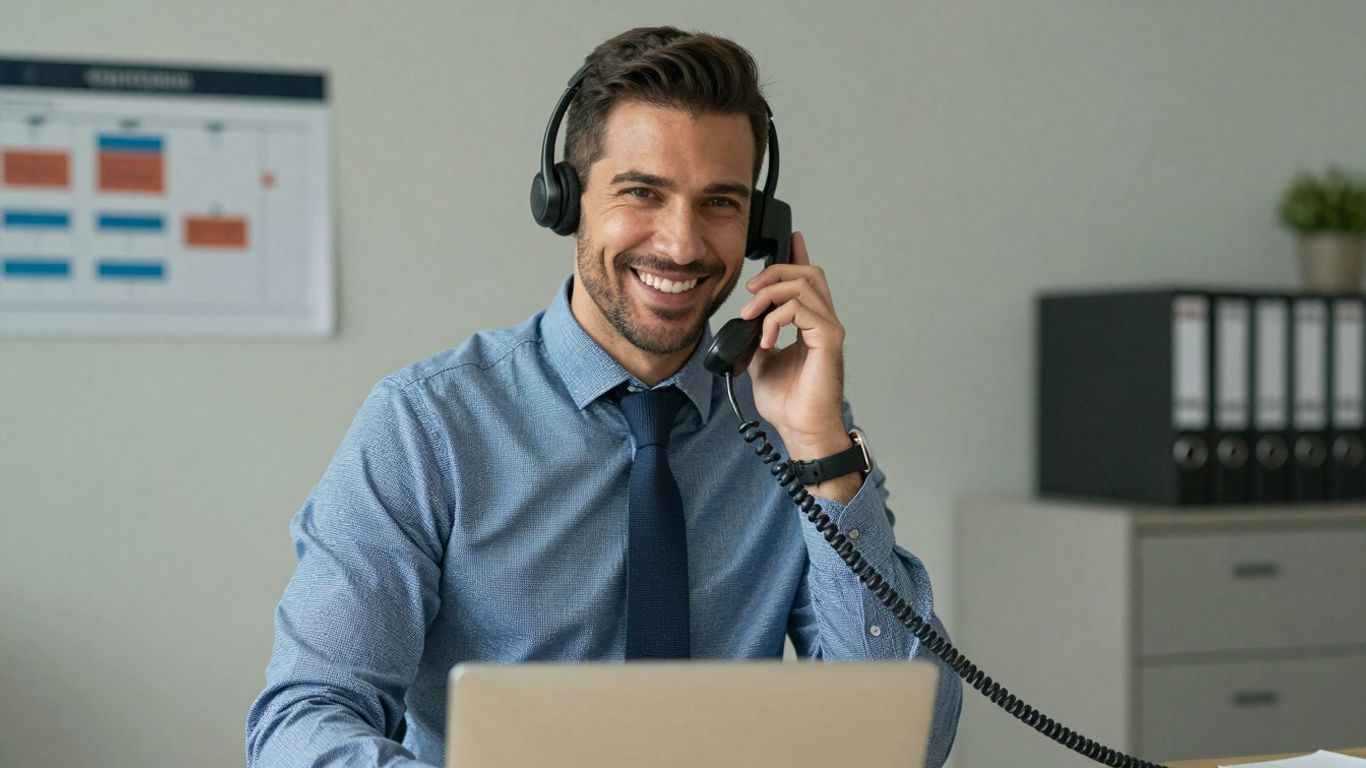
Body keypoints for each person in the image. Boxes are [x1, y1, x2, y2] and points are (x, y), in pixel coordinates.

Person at [246, 26, 962, 768]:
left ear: (760, 231)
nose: (682, 245)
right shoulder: (427, 424)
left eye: (719, 202)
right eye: (642, 193)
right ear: (566, 200)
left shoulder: (793, 434)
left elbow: (910, 745)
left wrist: (820, 447)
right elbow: (303, 721)